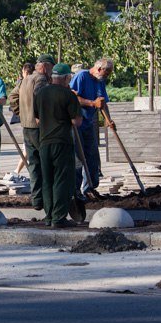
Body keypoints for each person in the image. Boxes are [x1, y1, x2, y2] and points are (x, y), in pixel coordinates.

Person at [35, 63, 82, 228]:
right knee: (62, 179)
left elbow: (37, 119)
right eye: (69, 77)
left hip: (44, 142)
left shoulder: (40, 93)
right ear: (66, 78)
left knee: (47, 180)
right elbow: (76, 121)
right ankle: (58, 218)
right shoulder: (68, 95)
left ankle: (48, 216)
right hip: (62, 142)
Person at [10, 54, 55, 210]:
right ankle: (47, 200)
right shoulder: (40, 79)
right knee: (45, 163)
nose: (51, 72)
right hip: (39, 128)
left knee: (34, 165)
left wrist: (21, 114)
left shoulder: (25, 79)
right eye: (51, 68)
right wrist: (39, 116)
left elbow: (12, 96)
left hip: (27, 127)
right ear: (45, 66)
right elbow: (39, 97)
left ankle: (36, 200)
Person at [69, 58, 114, 198]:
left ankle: (90, 188)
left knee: (93, 155)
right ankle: (75, 191)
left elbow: (102, 103)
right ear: (99, 69)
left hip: (88, 123)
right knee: (78, 158)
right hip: (76, 123)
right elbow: (72, 97)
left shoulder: (100, 81)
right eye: (106, 73)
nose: (107, 76)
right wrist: (92, 103)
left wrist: (108, 120)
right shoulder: (81, 76)